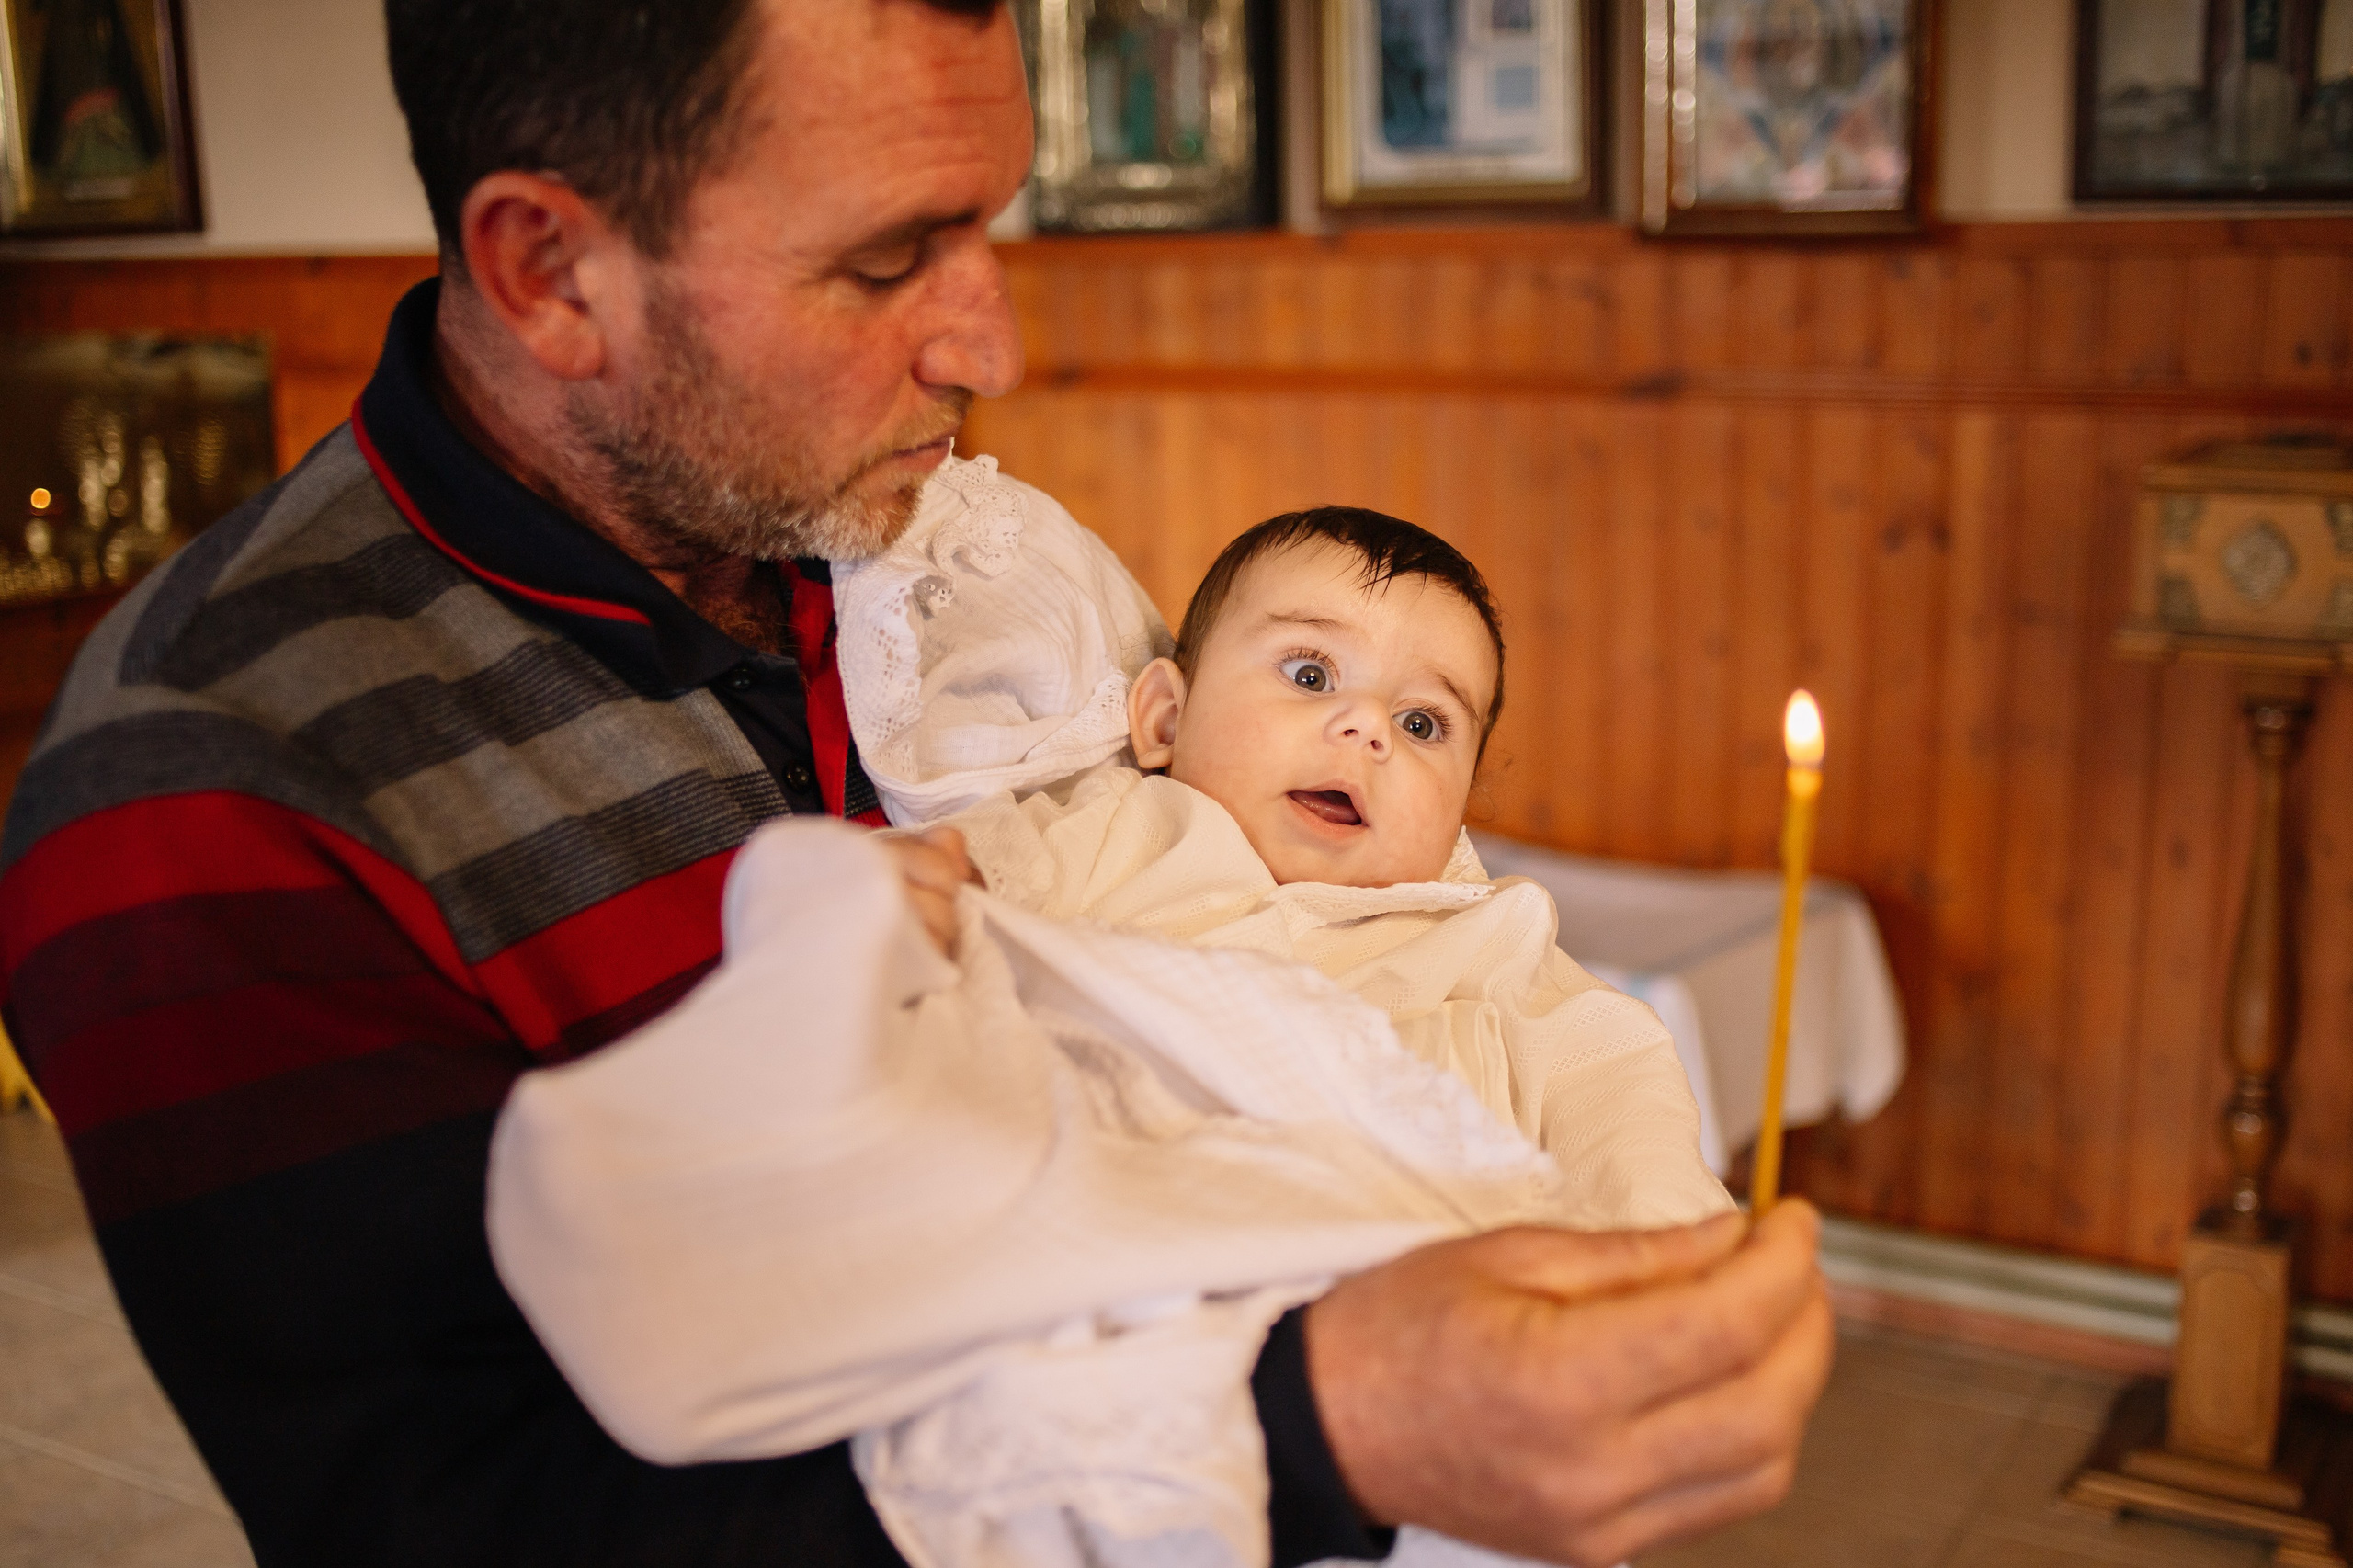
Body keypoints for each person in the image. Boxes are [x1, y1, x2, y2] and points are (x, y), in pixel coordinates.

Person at [0, 2, 1832, 1565]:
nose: (990, 346)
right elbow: (470, 1527)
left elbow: (1292, 935)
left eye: (985, 227)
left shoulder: (956, 566)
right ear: (550, 269)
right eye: (886, 257)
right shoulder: (204, 789)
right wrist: (1317, 1420)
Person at [486, 506, 1738, 1568]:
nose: (1365, 730)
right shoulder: (1111, 834)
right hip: (1115, 1260)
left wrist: (1669, 1253)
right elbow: (945, 919)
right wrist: (862, 910)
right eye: (1310, 676)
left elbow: (1605, 1069)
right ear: (1159, 721)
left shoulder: (1482, 932)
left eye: (1426, 724)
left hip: (1392, 1308)